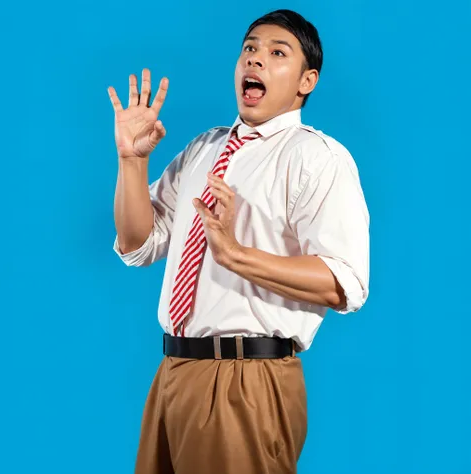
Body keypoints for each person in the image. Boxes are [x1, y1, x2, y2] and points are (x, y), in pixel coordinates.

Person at [108, 8, 369, 474]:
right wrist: (131, 162)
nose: (256, 60)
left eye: (276, 52)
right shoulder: (204, 149)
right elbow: (137, 245)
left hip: (245, 380)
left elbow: (343, 282)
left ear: (306, 81)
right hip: (172, 373)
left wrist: (235, 254)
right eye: (249, 49)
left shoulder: (315, 157)